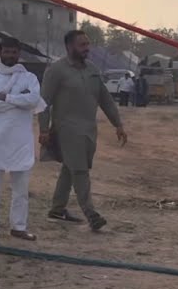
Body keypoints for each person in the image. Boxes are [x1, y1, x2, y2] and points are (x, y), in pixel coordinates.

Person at [39, 29, 127, 232]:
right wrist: (44, 129)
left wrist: (118, 124)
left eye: (88, 44)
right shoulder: (56, 70)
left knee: (70, 168)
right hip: (67, 129)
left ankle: (57, 209)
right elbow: (44, 103)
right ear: (69, 47)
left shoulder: (92, 70)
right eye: (82, 45)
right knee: (79, 170)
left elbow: (104, 98)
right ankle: (91, 214)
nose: (87, 49)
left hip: (89, 130)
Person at [0, 37, 44, 241]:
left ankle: (19, 227)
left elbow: (33, 100)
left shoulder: (29, 78)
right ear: (0, 53)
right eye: (7, 52)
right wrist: (18, 102)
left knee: (21, 188)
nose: (10, 55)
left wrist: (7, 98)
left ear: (18, 54)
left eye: (14, 52)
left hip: (20, 141)